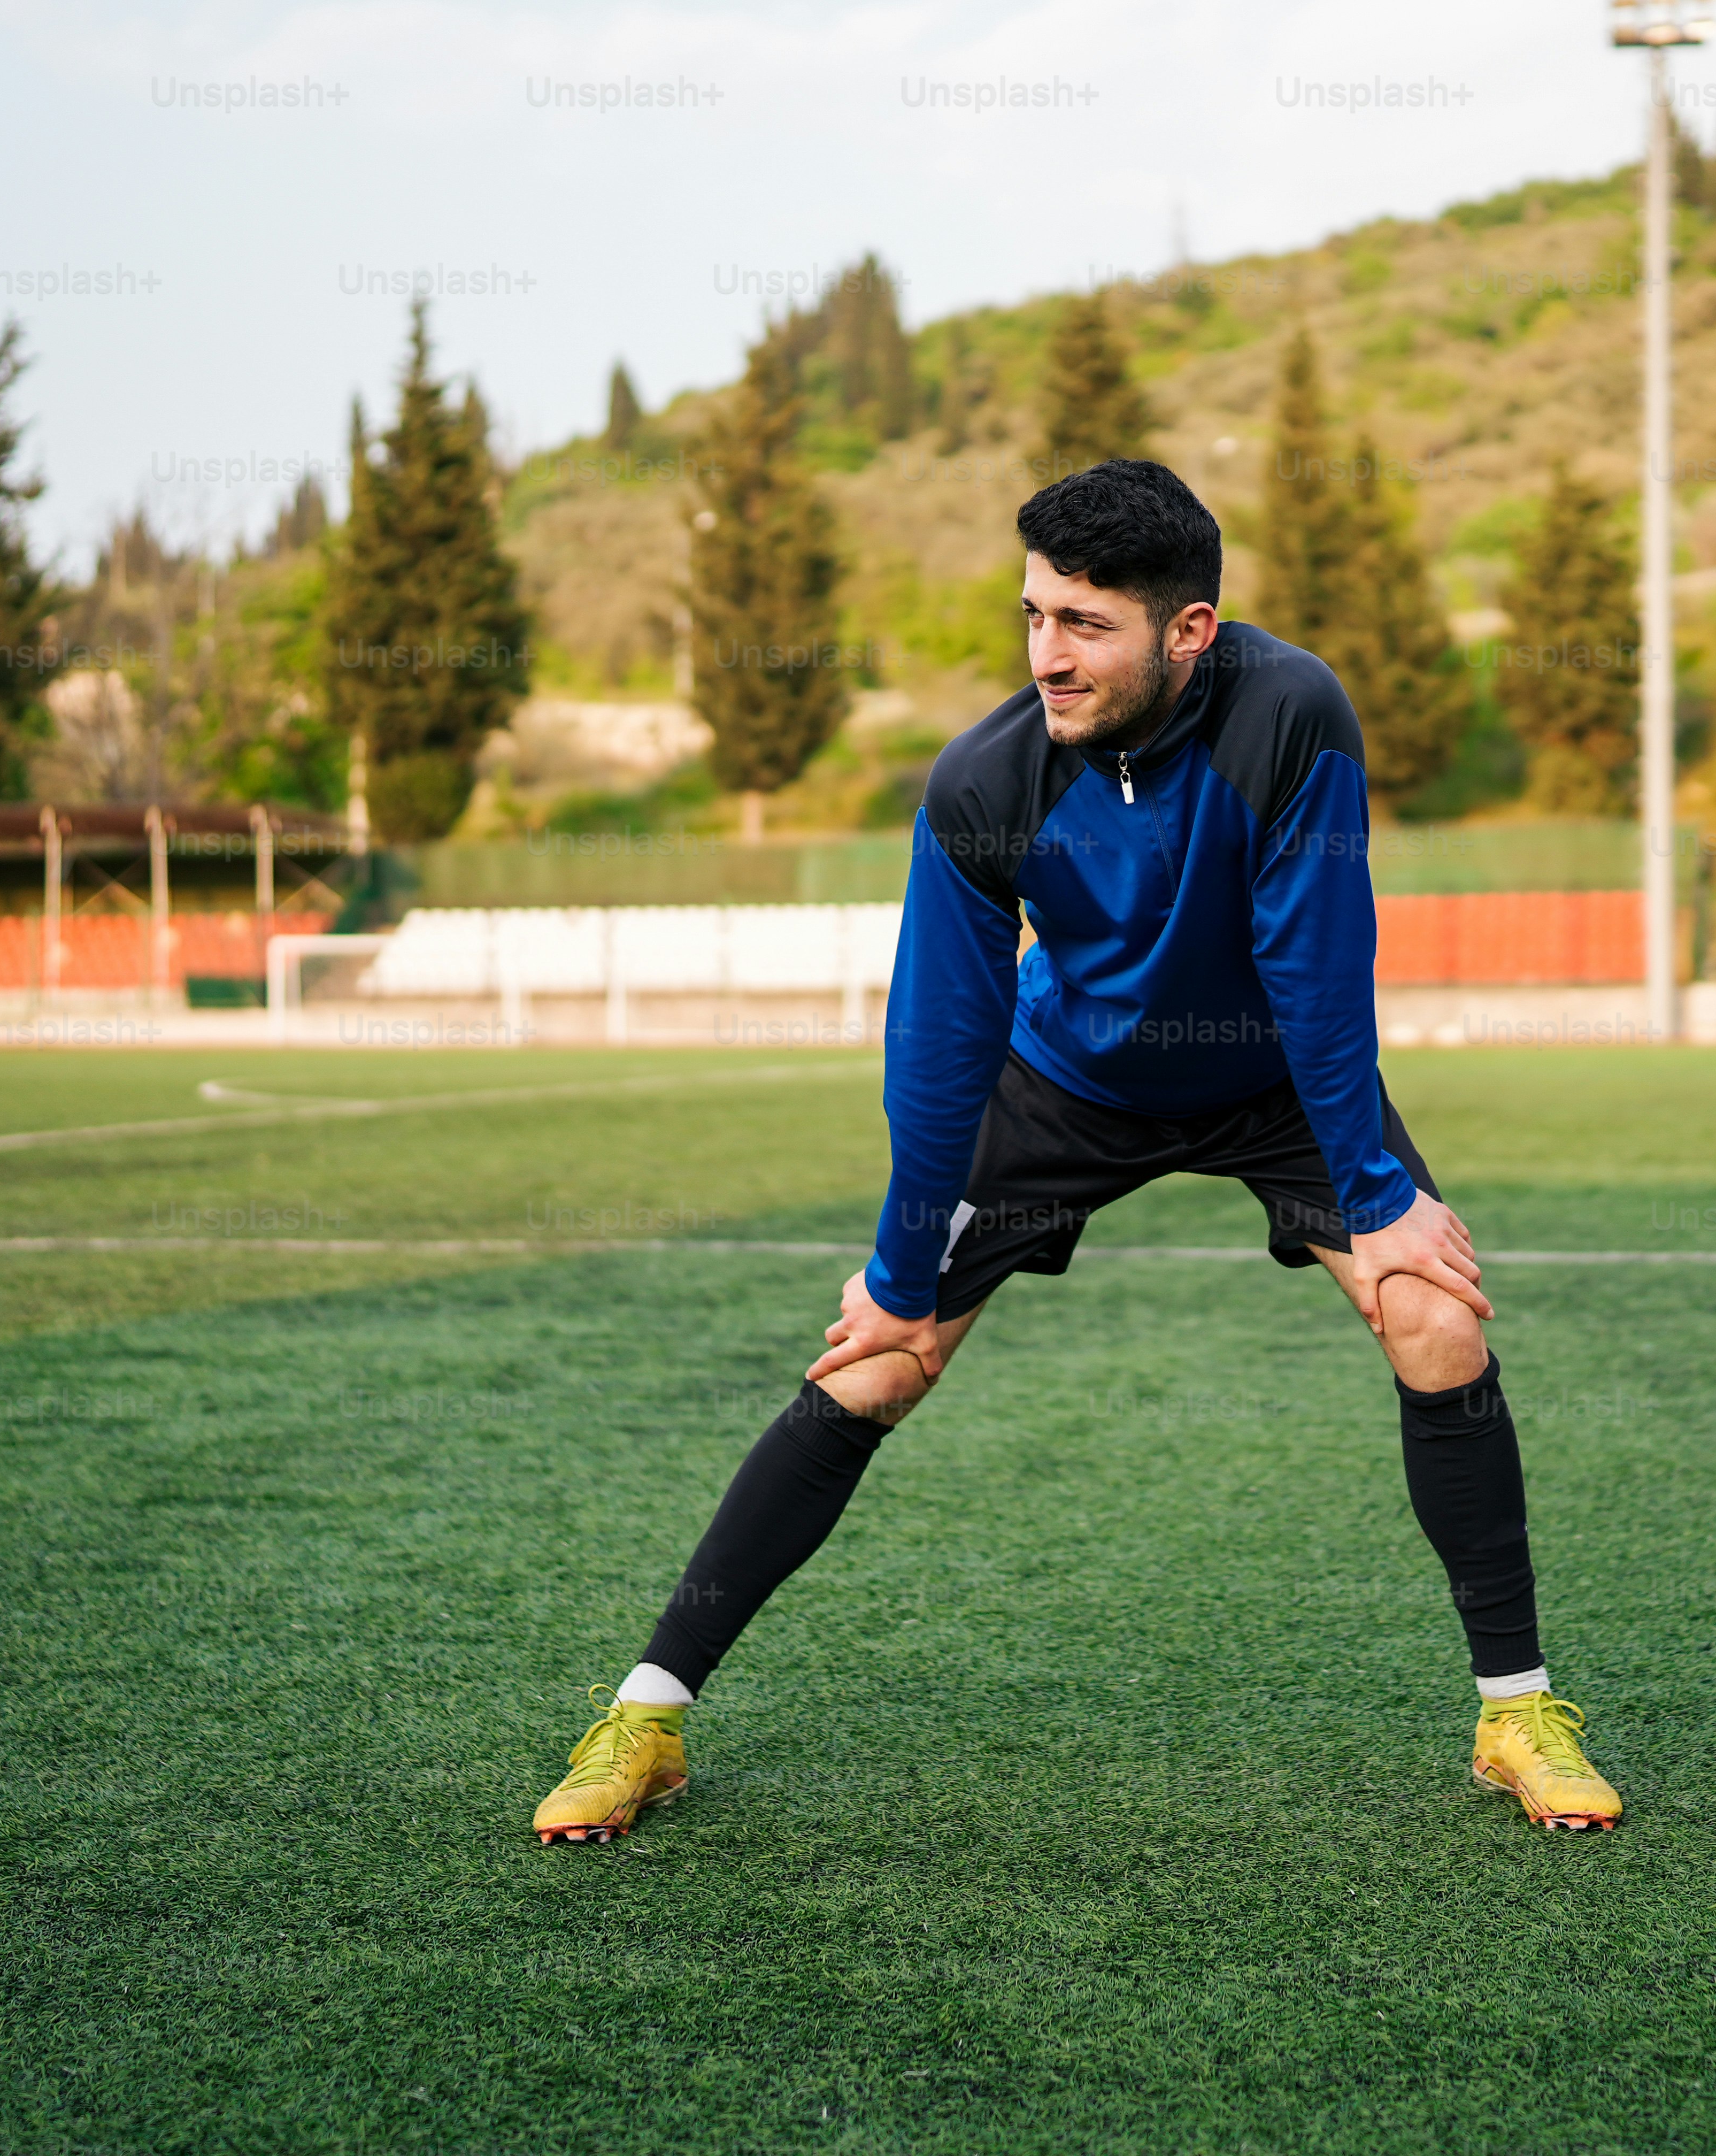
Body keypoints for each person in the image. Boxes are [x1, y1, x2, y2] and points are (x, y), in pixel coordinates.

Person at [529, 459, 1622, 1842]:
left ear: (1190, 631)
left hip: (1271, 1075)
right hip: (1069, 1080)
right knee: (878, 1364)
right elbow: (938, 1037)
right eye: (1035, 615)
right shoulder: (985, 779)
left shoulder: (1293, 713)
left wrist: (1380, 1197)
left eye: (1085, 623)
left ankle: (1516, 1710)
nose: (1048, 653)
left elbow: (1318, 966)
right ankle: (648, 1714)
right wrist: (900, 1266)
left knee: (1437, 1324)